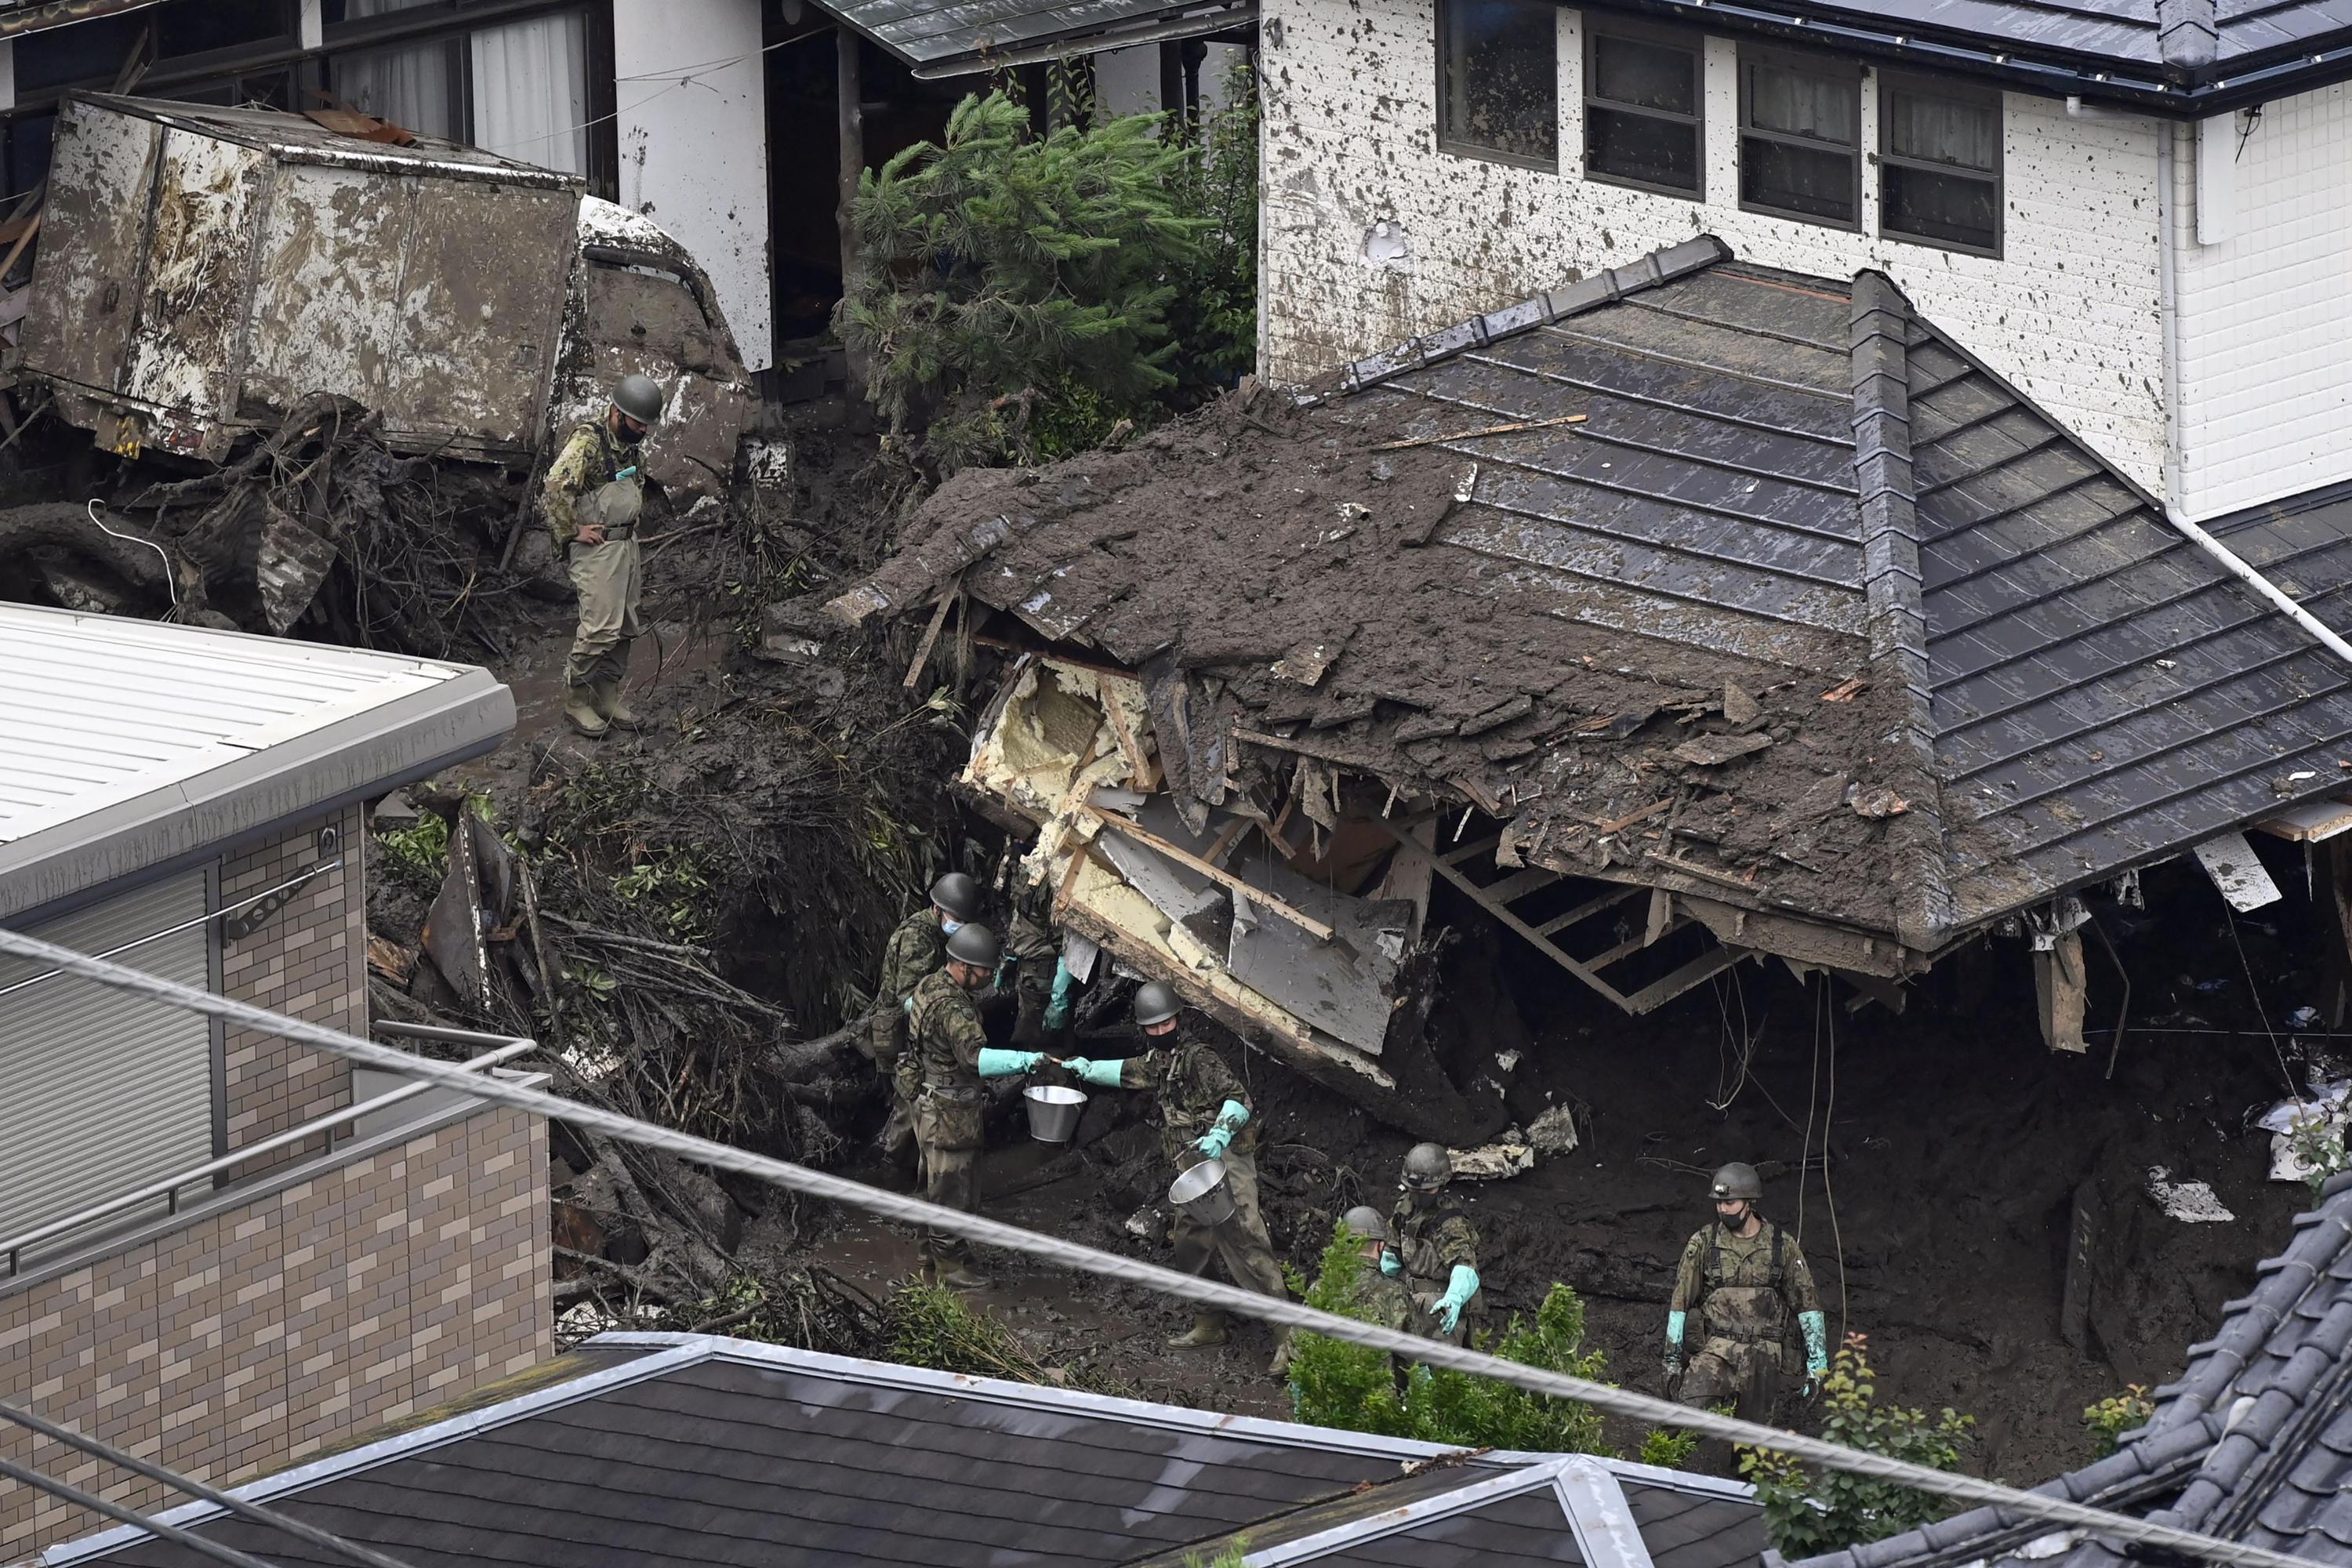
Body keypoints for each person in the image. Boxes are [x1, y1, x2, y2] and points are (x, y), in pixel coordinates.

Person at [1060, 982, 1294, 1373]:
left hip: (1225, 1165)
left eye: (1165, 1024)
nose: (1160, 1032)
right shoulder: (1159, 1060)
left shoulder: (1199, 1058)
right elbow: (1128, 1071)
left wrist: (1219, 1133)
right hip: (1191, 1172)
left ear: (1178, 1020)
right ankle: (1209, 1321)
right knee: (1190, 1243)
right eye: (1152, 1027)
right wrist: (1086, 1068)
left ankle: (1288, 1336)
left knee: (1246, 1243)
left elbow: (1239, 1098)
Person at [903, 922, 1046, 1288]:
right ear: (964, 967)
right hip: (951, 1111)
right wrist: (1024, 1062)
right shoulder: (955, 1010)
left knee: (929, 1181)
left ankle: (927, 1255)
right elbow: (975, 1059)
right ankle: (950, 1267)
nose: (988, 976)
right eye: (983, 970)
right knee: (953, 1186)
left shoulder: (929, 985)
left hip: (925, 1101)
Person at [545, 373, 666, 739]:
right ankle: (577, 699)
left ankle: (606, 694)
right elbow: (556, 484)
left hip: (625, 546)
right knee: (599, 627)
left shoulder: (629, 446)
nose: (642, 431)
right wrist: (570, 532)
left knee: (627, 624)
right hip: (597, 548)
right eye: (636, 423)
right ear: (617, 412)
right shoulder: (588, 441)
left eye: (647, 426)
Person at [1665, 1162, 1827, 1419]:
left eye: (1729, 1202)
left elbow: (1808, 1306)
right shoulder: (1704, 1242)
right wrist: (1671, 1360)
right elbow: (1680, 1301)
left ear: (1750, 1202)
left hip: (1764, 1356)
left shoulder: (1781, 1246)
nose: (1722, 1209)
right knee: (1682, 1423)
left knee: (1752, 1445)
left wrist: (1818, 1368)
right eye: (1719, 1203)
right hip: (1716, 1351)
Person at [866, 872, 982, 1168]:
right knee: (909, 1095)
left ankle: (910, 1159)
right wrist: (943, 1014)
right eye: (956, 919)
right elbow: (908, 998)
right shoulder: (917, 938)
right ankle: (889, 1161)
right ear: (938, 910)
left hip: (919, 1026)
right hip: (903, 1028)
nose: (961, 927)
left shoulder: (941, 932)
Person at [1385, 1143, 1482, 1345]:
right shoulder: (1405, 1210)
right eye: (1415, 1189)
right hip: (1406, 1301)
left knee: (1442, 1369)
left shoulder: (1450, 1221)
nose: (1420, 1195)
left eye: (1428, 1189)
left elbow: (1465, 1266)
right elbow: (1392, 1253)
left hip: (1439, 1307)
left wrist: (1454, 1298)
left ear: (1442, 1185)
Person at [1338, 1205, 1416, 1335]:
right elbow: (1413, 1349)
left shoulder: (1321, 1288)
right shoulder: (1395, 1292)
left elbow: (1297, 1344)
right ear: (1381, 1247)